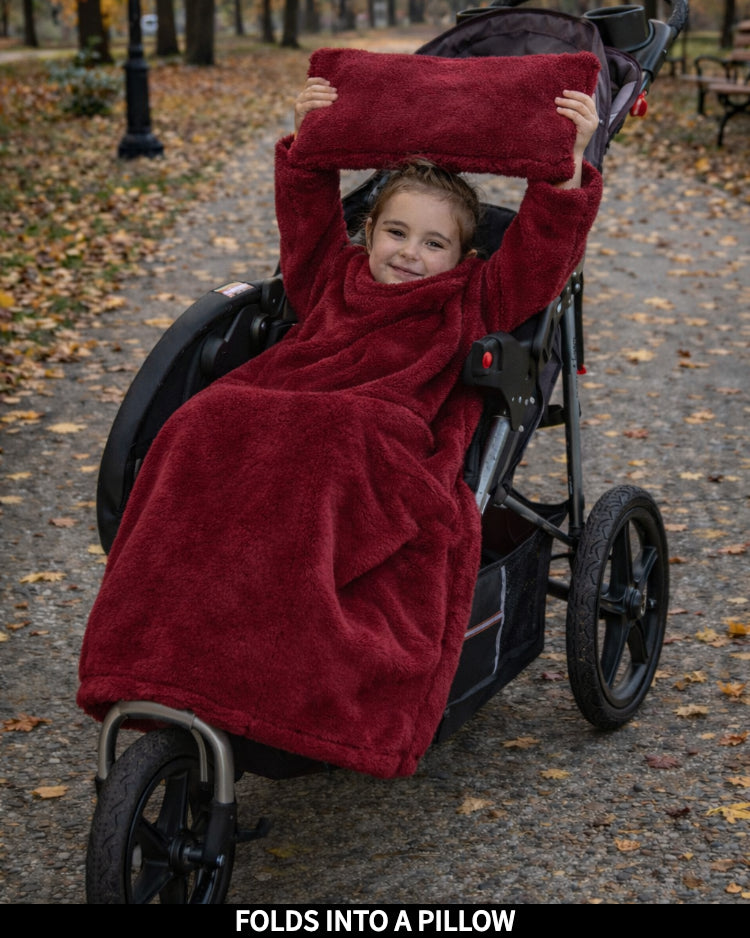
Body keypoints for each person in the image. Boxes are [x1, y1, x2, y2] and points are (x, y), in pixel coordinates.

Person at [78, 65, 602, 779]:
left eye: (432, 242)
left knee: (335, 439)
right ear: (369, 230)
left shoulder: (474, 297)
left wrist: (565, 175)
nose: (410, 253)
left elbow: (541, 255)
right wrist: (308, 141)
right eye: (395, 232)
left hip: (379, 439)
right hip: (280, 407)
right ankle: (169, 645)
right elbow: (305, 217)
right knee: (202, 420)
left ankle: (287, 668)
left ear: (463, 255)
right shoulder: (333, 273)